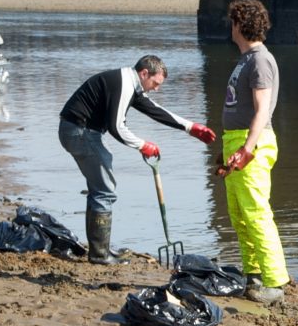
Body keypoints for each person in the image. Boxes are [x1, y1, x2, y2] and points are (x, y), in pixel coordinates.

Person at [57, 56, 216, 265]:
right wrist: (142, 145)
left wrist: (190, 127)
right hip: (80, 132)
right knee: (104, 189)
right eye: (155, 83)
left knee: (101, 187)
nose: (156, 89)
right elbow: (117, 127)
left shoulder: (128, 83)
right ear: (144, 74)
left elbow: (154, 109)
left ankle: (101, 250)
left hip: (79, 130)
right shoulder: (123, 83)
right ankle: (99, 254)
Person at [216, 0, 288, 305]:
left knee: (257, 213)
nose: (229, 27)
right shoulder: (246, 59)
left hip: (252, 142)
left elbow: (261, 111)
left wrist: (247, 148)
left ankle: (275, 282)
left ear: (239, 25)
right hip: (236, 140)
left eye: (232, 21)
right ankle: (253, 275)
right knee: (239, 214)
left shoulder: (260, 60)